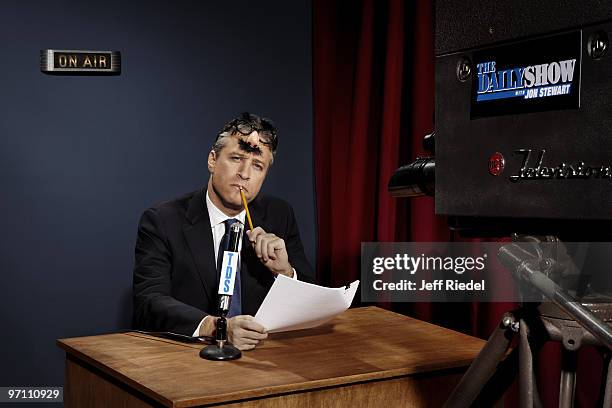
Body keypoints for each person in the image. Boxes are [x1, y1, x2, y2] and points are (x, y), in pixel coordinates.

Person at [132, 112, 314, 350]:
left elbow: (311, 300)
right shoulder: (162, 221)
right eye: (236, 158)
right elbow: (149, 302)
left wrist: (286, 273)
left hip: (264, 358)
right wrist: (217, 328)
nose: (245, 174)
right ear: (212, 160)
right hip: (187, 356)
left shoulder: (279, 215)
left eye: (257, 166)